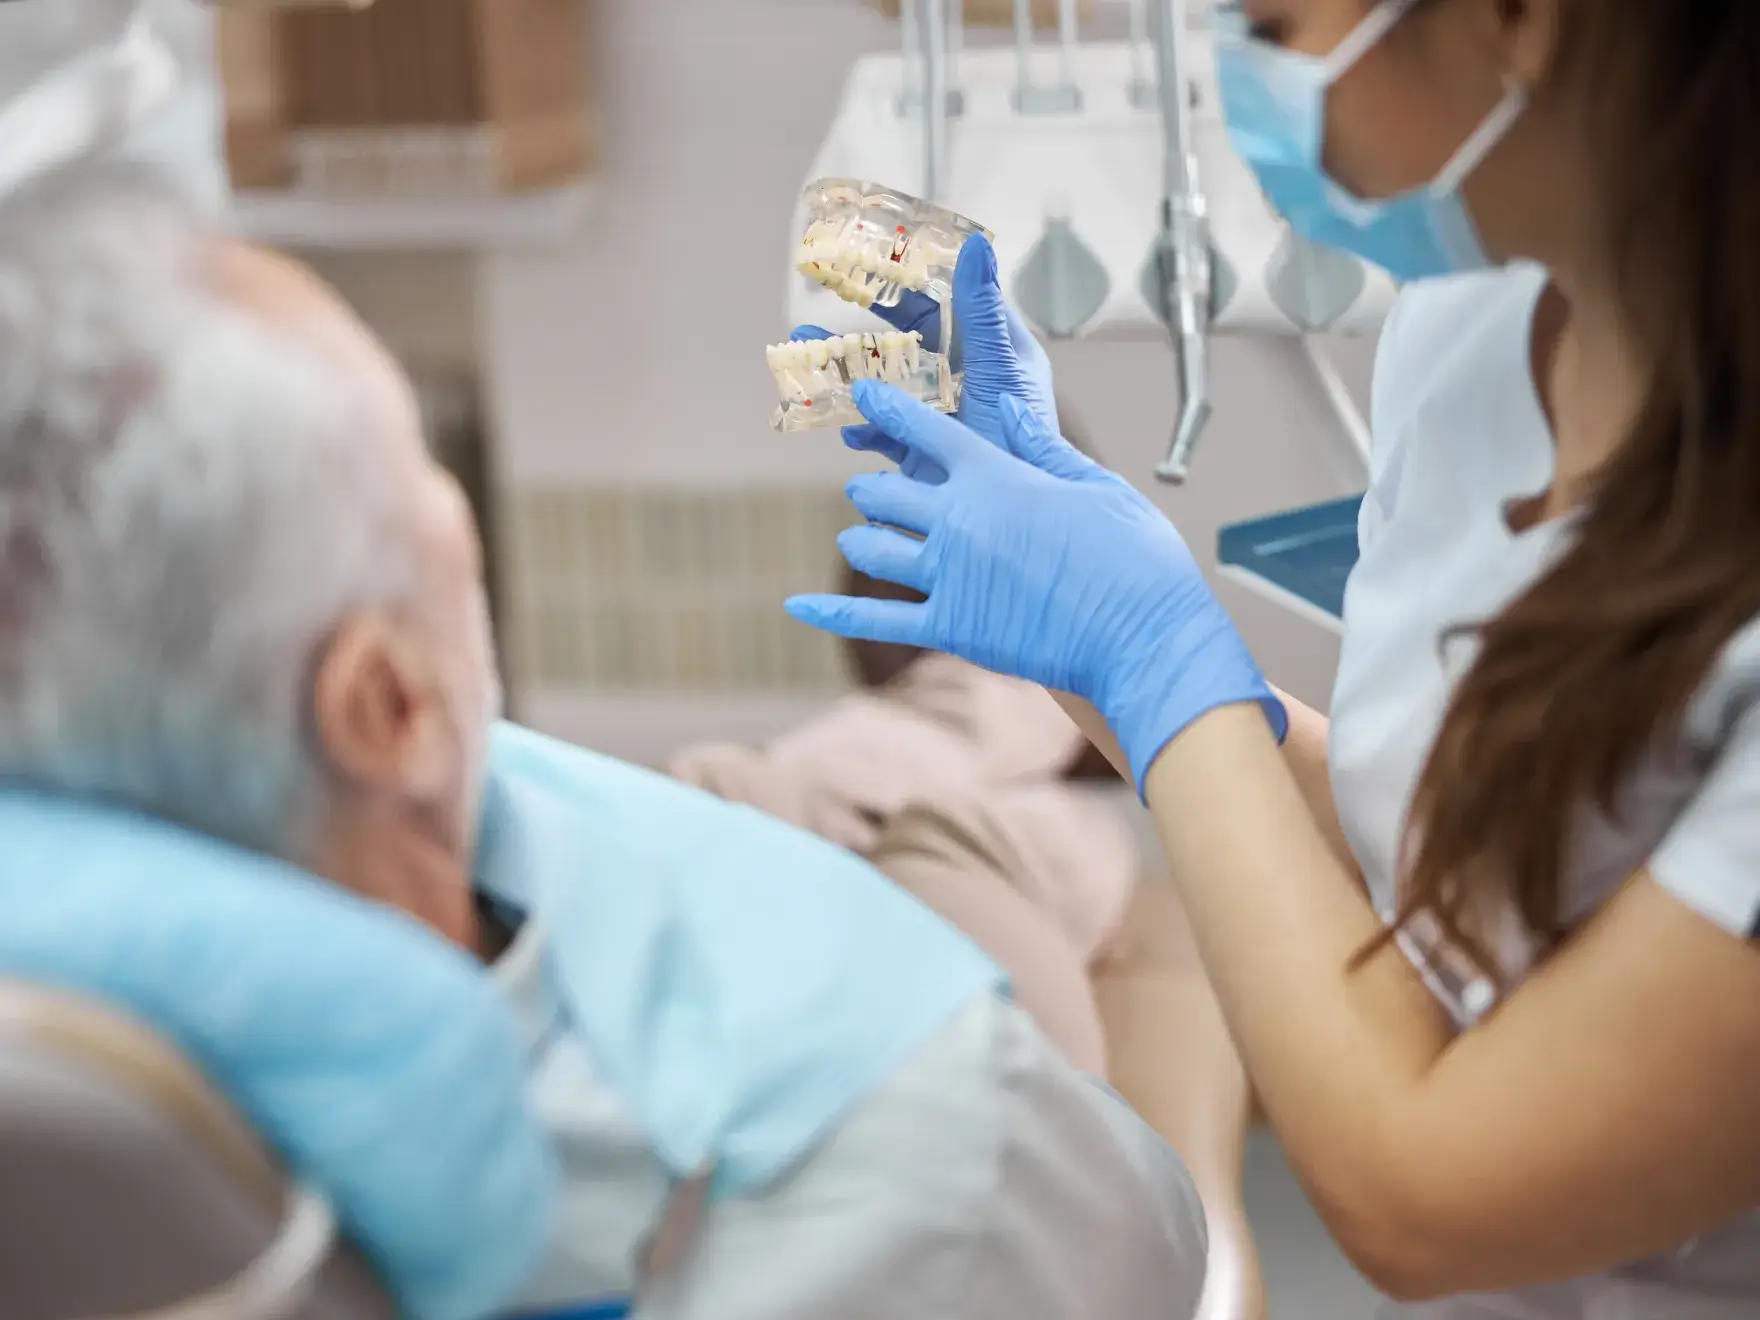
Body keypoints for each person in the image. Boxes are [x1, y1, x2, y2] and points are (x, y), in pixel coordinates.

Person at [0, 156, 1212, 1319]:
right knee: (960, 821)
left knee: (796, 782)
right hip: (924, 1032)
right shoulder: (929, 1140)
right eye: (428, 482)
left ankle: (969, 683)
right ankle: (988, 685)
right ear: (389, 708)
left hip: (646, 838)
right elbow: (1166, 1247)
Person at [784, 1, 1760, 1317]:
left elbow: (1425, 1195)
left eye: (1272, 21)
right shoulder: (1464, 337)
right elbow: (1431, 845)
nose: (1239, 74)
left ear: (1519, 20)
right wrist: (1096, 640)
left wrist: (1154, 655)